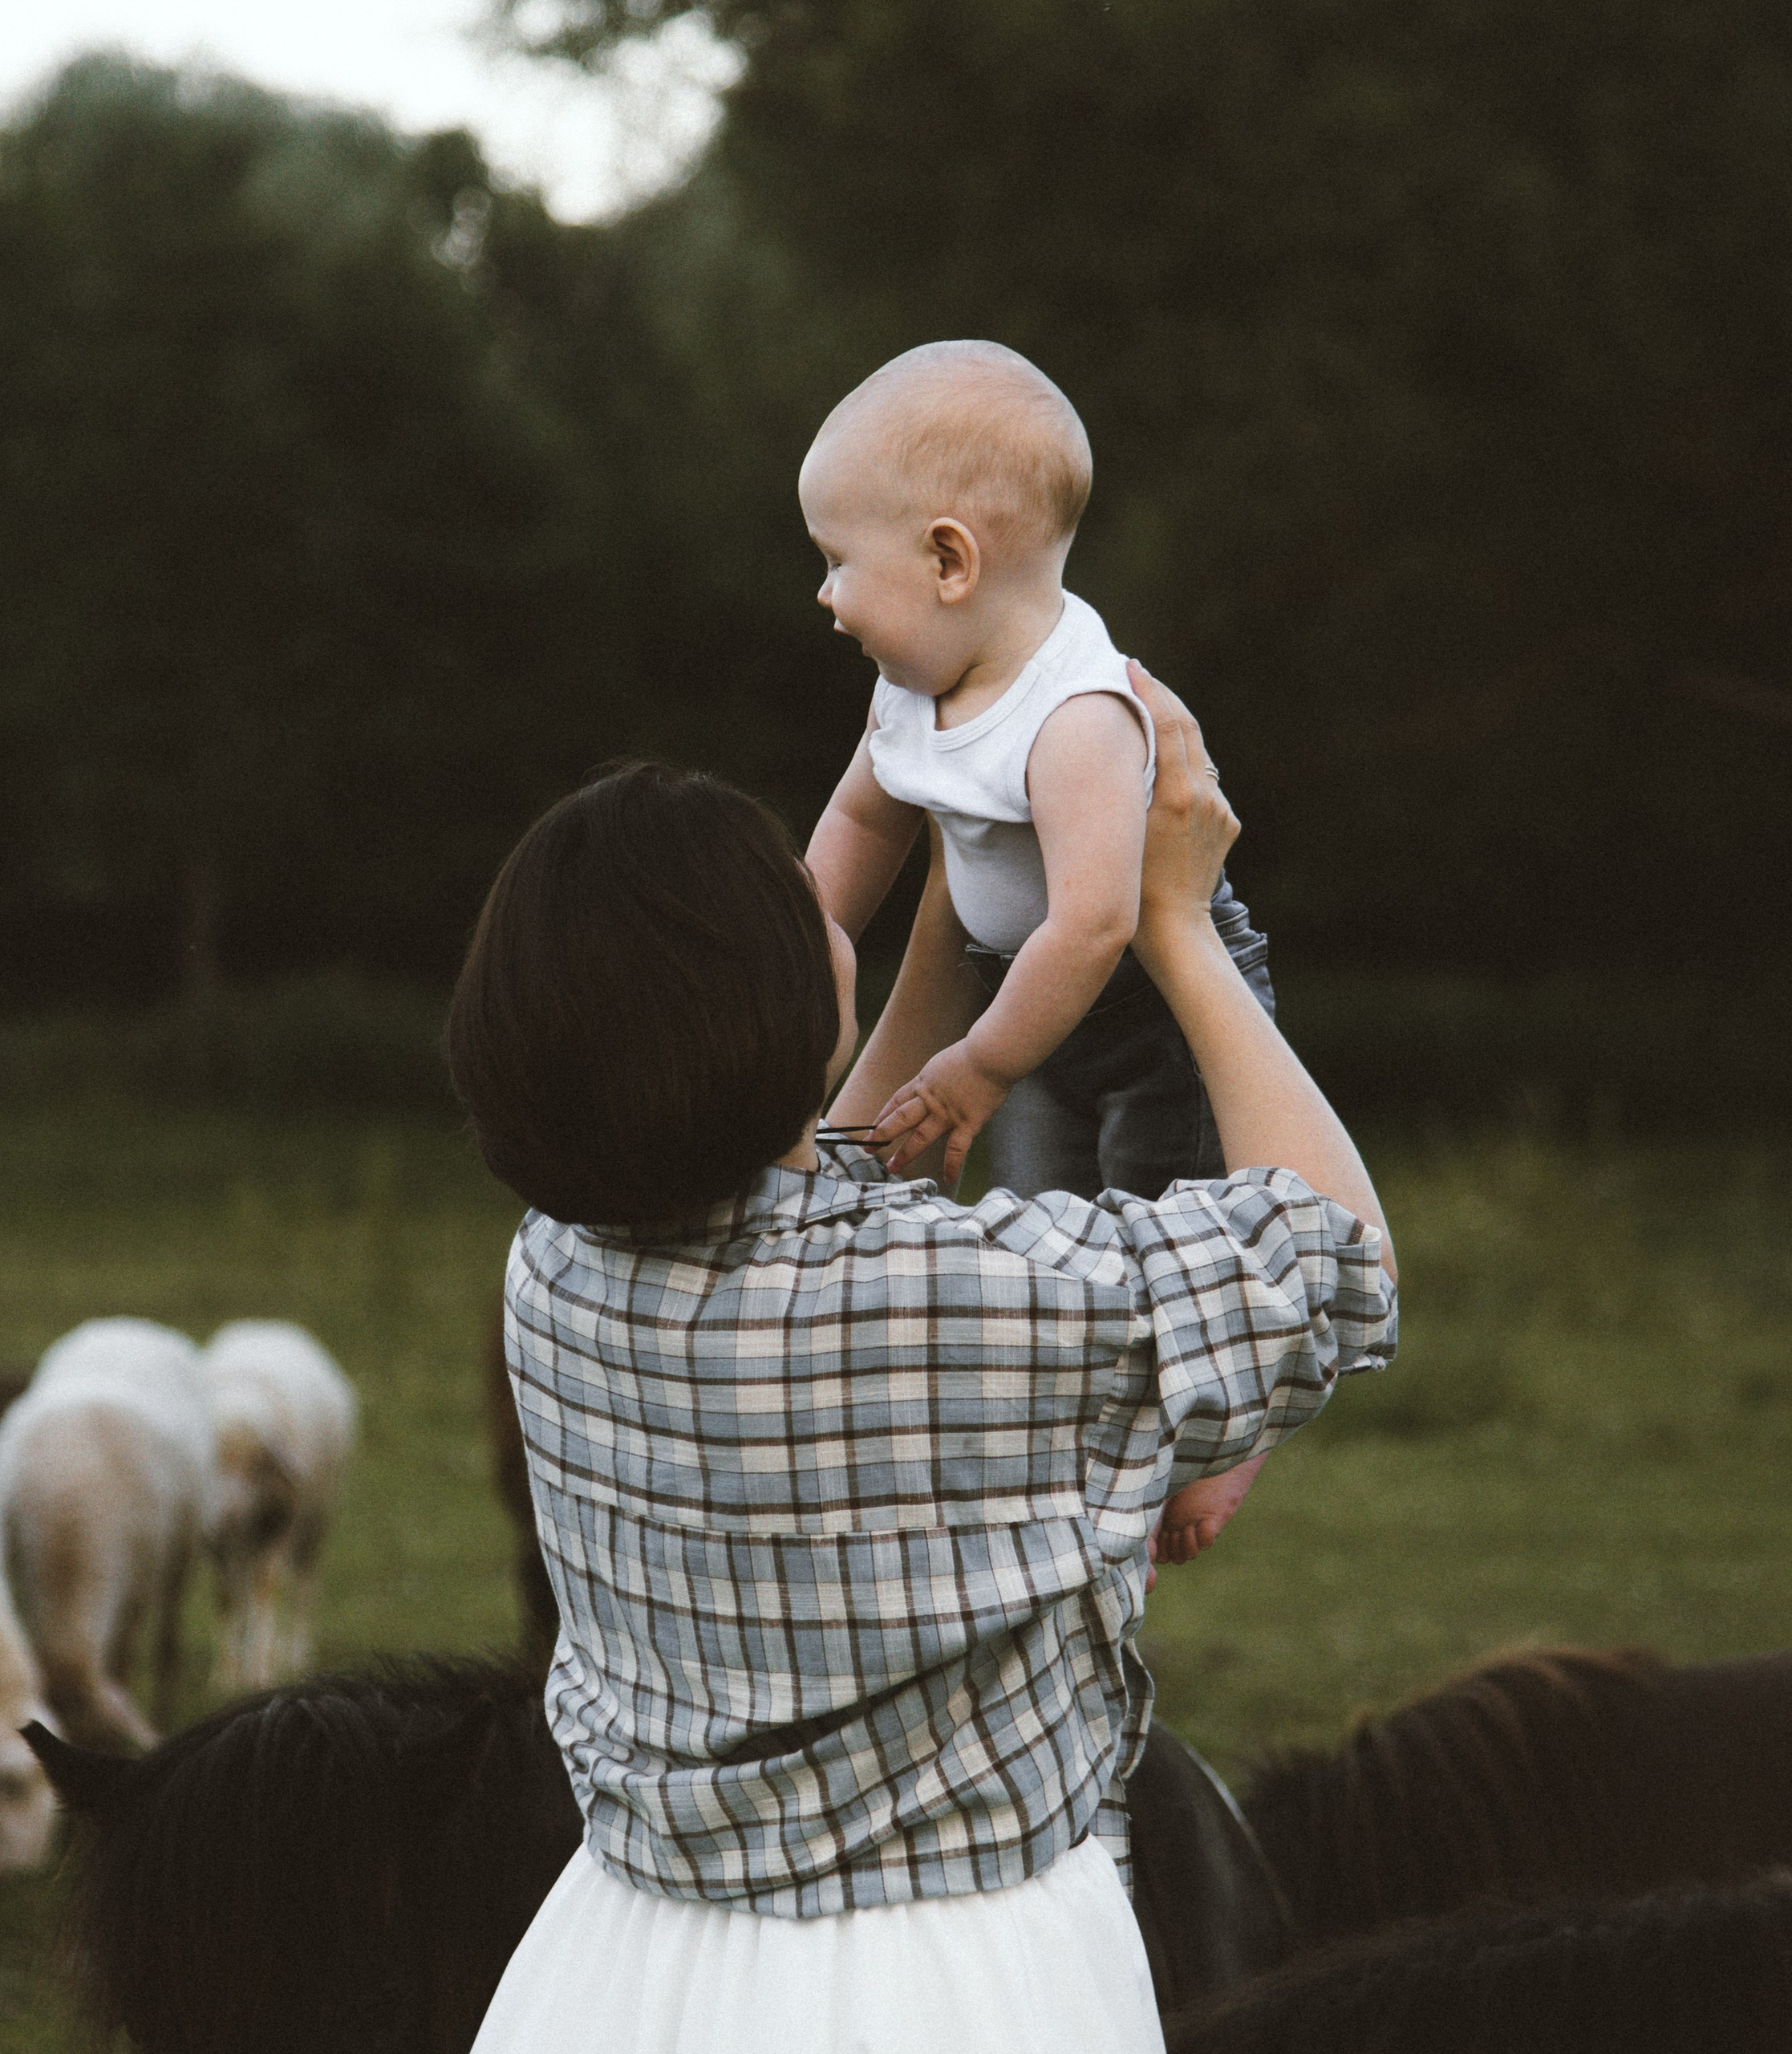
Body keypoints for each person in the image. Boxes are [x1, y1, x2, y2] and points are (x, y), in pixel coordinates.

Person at [445, 673, 1397, 2054]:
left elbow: (799, 1169)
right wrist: (1180, 927)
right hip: (956, 1983)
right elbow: (1336, 1262)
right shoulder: (975, 1304)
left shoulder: (555, 1268)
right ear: (754, 1007)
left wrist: (954, 909)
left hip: (627, 1961)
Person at [803, 338, 1279, 1562]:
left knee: (1179, 1222)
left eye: (838, 562)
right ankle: (1076, 1456)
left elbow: (1099, 921)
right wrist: (800, 930)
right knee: (1048, 1226)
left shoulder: (1074, 714)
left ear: (949, 559)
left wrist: (978, 1063)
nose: (826, 597)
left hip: (1151, 1008)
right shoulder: (916, 686)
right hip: (1023, 1007)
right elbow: (866, 816)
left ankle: (1228, 1437)